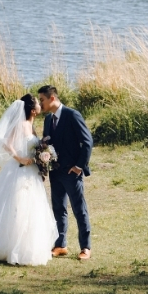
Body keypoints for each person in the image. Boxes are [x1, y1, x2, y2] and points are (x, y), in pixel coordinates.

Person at [0, 94, 59, 265]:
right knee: (16, 206)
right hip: (19, 170)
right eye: (37, 102)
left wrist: (43, 158)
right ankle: (8, 247)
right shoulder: (21, 124)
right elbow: (6, 143)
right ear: (32, 110)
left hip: (31, 172)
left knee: (31, 209)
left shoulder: (31, 125)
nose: (39, 104)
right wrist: (20, 158)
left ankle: (26, 248)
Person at [38, 85, 93, 259]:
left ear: (52, 98)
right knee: (58, 209)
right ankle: (60, 245)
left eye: (42, 100)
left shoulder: (72, 115)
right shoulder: (48, 120)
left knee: (79, 209)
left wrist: (79, 166)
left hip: (72, 172)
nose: (41, 103)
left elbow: (87, 142)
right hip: (55, 172)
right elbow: (47, 145)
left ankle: (86, 247)